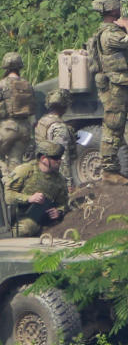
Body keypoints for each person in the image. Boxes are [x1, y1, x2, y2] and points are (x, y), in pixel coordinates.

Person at [88, 0, 128, 184]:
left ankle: (113, 169)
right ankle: (108, 170)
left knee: (118, 125)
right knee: (112, 126)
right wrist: (126, 26)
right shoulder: (109, 34)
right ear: (113, 8)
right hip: (113, 85)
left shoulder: (114, 30)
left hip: (119, 84)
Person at [5, 141, 68, 237]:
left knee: (28, 227)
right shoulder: (25, 170)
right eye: (55, 158)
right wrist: (29, 198)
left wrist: (58, 212)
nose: (59, 161)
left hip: (31, 220)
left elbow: (63, 203)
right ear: (43, 159)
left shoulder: (60, 180)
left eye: (60, 157)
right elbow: (7, 195)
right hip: (11, 215)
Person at [0, 52, 35, 185]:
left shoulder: (2, 84)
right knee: (15, 165)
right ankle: (14, 192)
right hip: (25, 130)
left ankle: (5, 181)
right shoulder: (27, 85)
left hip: (7, 129)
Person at [34, 89, 75, 189]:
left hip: (41, 168)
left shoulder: (42, 121)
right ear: (64, 106)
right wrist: (67, 183)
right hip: (53, 174)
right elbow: (63, 157)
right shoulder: (59, 127)